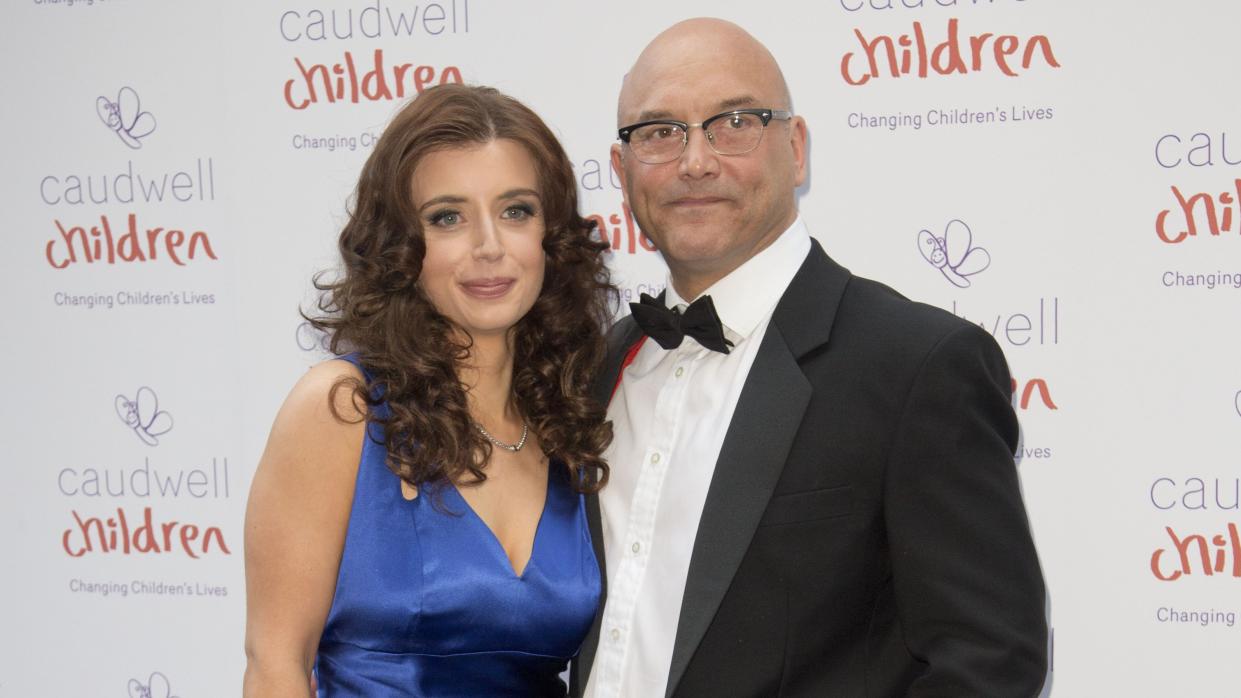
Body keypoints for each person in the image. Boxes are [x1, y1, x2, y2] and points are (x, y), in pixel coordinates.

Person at [575, 18, 1048, 698]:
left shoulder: (916, 365)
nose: (695, 161)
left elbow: (987, 664)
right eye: (659, 132)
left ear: (794, 149)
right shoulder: (592, 370)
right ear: (621, 171)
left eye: (732, 121)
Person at [243, 83, 615, 697]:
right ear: (402, 247)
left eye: (516, 211)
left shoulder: (570, 421)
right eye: (448, 218)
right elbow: (274, 665)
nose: (489, 246)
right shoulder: (343, 408)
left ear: (550, 236)